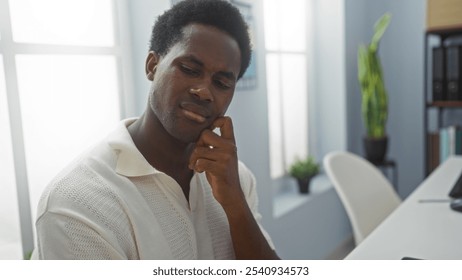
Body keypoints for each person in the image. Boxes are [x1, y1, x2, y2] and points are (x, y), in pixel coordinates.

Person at [32, 0, 278, 260]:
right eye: (189, 69)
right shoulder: (77, 204)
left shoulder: (236, 178)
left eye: (221, 83)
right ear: (152, 66)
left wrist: (235, 204)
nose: (204, 91)